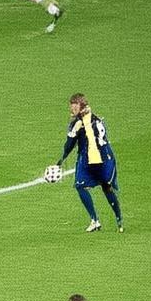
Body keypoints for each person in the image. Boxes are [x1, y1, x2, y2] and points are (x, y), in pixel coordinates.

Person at [55, 94, 123, 233]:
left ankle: (117, 218)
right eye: (71, 107)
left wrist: (61, 160)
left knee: (106, 187)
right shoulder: (93, 120)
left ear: (82, 107)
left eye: (75, 107)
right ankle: (96, 220)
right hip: (89, 159)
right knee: (81, 185)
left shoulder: (83, 123)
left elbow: (70, 145)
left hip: (101, 159)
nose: (72, 110)